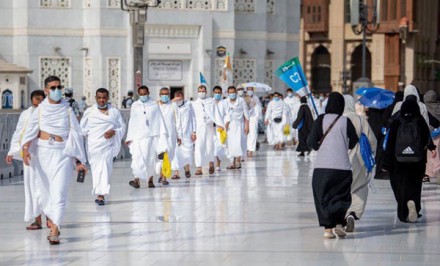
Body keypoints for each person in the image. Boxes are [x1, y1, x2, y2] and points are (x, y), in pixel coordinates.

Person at [21, 76, 87, 245]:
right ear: (46, 90)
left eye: (59, 87)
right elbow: (30, 131)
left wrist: (79, 160)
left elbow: (76, 134)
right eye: (53, 87)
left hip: (62, 153)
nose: (57, 90)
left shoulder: (67, 109)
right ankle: (52, 220)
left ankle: (55, 229)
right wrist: (25, 149)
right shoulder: (40, 110)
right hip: (43, 154)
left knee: (59, 192)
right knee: (46, 192)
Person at [308, 92, 359, 239]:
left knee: (323, 197)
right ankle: (339, 223)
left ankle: (328, 230)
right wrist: (343, 146)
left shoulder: (320, 120)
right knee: (341, 197)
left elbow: (311, 142)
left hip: (322, 167)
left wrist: (320, 147)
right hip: (342, 167)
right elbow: (354, 140)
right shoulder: (345, 121)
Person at [383, 98, 436, 223]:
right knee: (415, 185)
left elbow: (390, 144)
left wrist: (386, 163)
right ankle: (413, 204)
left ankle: (404, 212)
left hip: (399, 161)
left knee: (400, 186)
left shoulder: (397, 122)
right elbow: (426, 137)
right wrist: (431, 148)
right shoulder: (420, 121)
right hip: (417, 160)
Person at [5, 90, 45, 230]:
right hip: (29, 154)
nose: (38, 101)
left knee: (47, 186)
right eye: (36, 99)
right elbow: (19, 132)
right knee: (32, 187)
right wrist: (12, 151)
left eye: (41, 99)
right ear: (31, 99)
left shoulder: (48, 113)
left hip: (46, 153)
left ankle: (52, 219)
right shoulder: (26, 114)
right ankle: (37, 219)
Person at [80, 88, 126, 205]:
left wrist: (114, 131)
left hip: (108, 146)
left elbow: (122, 127)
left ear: (108, 98)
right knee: (96, 170)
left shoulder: (114, 112)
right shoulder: (89, 112)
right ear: (95, 98)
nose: (101, 100)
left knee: (105, 168)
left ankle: (101, 195)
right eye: (99, 98)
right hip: (94, 146)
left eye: (104, 98)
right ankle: (98, 193)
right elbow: (82, 129)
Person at [342, 95, 377, 232]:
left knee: (342, 189)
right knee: (359, 187)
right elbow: (372, 142)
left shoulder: (337, 120)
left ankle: (341, 216)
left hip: (341, 159)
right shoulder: (361, 120)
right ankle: (352, 213)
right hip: (360, 160)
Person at [126, 86, 168, 189]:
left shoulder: (154, 104)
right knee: (137, 158)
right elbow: (132, 121)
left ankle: (150, 180)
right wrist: (129, 137)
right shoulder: (135, 105)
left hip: (151, 136)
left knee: (150, 159)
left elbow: (159, 120)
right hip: (138, 137)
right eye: (141, 94)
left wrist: (161, 135)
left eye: (145, 94)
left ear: (148, 93)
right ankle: (137, 180)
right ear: (138, 94)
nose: (143, 96)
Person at [191, 85, 224, 175]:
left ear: (206, 92)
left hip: (209, 126)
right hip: (199, 128)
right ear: (197, 92)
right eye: (200, 91)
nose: (201, 92)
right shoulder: (194, 103)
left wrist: (220, 124)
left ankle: (211, 163)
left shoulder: (211, 101)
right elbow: (193, 118)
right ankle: (199, 168)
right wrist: (193, 131)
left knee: (210, 146)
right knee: (199, 147)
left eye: (203, 91)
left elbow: (216, 113)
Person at [157, 87, 182, 185]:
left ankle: (163, 176)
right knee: (162, 155)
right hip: (159, 134)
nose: (164, 96)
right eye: (162, 94)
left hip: (171, 133)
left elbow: (178, 121)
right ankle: (163, 176)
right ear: (159, 95)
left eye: (166, 94)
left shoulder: (173, 105)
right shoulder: (156, 105)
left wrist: (179, 135)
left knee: (168, 155)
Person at [171, 90, 196, 179]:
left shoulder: (188, 105)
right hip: (176, 134)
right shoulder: (172, 106)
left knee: (187, 153)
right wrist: (173, 101)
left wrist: (194, 132)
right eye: (176, 97)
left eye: (180, 96)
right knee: (176, 154)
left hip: (187, 134)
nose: (179, 98)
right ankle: (176, 173)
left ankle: (187, 169)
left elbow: (193, 118)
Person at [224, 86, 250, 169]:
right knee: (231, 144)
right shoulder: (226, 102)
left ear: (236, 92)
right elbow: (225, 114)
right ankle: (232, 162)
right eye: (230, 92)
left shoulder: (241, 101)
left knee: (239, 143)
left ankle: (238, 161)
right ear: (228, 93)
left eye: (233, 92)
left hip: (240, 125)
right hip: (230, 126)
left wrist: (247, 126)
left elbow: (246, 114)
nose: (232, 94)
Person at [423, 90, 440, 182]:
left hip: (429, 134)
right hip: (439, 134)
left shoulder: (424, 108)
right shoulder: (439, 107)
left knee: (429, 155)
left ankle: (428, 174)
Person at [213, 85, 227, 171]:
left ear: (221, 93)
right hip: (211, 128)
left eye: (219, 93)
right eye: (216, 93)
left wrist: (224, 125)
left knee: (220, 146)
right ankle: (211, 164)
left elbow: (227, 115)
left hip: (221, 128)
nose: (217, 94)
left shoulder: (225, 103)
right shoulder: (210, 102)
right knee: (211, 146)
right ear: (213, 93)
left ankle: (218, 165)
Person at [245, 86, 262, 157]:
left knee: (253, 133)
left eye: (251, 90)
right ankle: (246, 149)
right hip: (246, 118)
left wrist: (255, 105)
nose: (250, 91)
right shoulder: (244, 98)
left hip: (253, 118)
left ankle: (251, 150)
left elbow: (258, 107)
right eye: (248, 90)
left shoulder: (256, 98)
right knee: (246, 134)